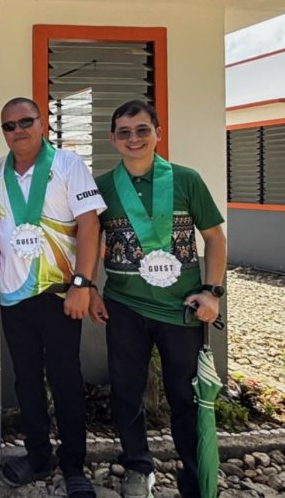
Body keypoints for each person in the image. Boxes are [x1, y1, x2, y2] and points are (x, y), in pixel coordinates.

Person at [89, 100, 226, 498]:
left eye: (142, 130)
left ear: (158, 134)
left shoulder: (186, 180)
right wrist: (92, 288)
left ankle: (194, 473)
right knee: (126, 390)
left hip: (182, 308)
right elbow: (90, 240)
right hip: (124, 306)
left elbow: (214, 237)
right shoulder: (101, 188)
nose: (134, 139)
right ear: (113, 139)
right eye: (125, 132)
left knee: (184, 394)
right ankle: (137, 467)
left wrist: (212, 291)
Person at [0, 97, 105, 497]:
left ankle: (75, 465)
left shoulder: (67, 165)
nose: (18, 130)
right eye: (9, 126)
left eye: (26, 121)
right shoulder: (0, 172)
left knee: (65, 379)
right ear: (3, 132)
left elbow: (90, 224)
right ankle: (38, 455)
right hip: (14, 294)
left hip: (61, 293)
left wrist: (83, 284)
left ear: (42, 123)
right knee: (26, 380)